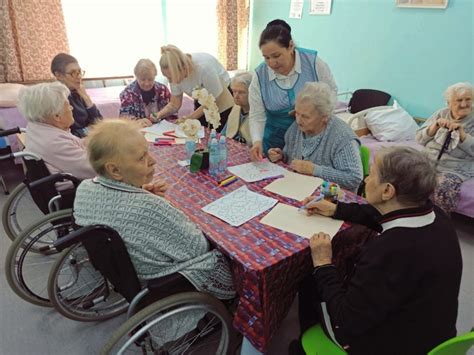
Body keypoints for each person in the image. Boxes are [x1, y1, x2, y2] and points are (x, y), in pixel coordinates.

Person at [291, 147, 462, 355]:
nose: (365, 178)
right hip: (432, 333)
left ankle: (304, 347)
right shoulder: (436, 215)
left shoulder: (389, 250)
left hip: (388, 345)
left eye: (371, 174)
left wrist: (323, 263)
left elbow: (346, 320)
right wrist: (337, 209)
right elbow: (377, 214)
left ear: (387, 191)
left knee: (310, 279)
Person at [73, 119, 235, 300]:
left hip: (124, 272)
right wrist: (154, 202)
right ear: (115, 171)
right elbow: (198, 247)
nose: (153, 160)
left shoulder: (85, 187)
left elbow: (118, 207)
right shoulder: (147, 207)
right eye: (142, 158)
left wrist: (140, 192)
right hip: (164, 283)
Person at [249, 19, 337, 161]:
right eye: (266, 58)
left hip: (311, 137)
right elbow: (257, 114)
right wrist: (257, 141)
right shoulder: (260, 75)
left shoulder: (313, 62)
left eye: (276, 56)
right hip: (273, 140)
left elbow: (331, 94)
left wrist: (314, 114)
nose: (271, 63)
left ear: (290, 46)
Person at [267, 82, 362, 192]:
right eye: (297, 113)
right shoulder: (296, 129)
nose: (298, 120)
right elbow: (291, 158)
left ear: (324, 117)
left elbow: (354, 178)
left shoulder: (342, 137)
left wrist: (314, 170)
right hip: (298, 189)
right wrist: (281, 156)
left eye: (305, 117)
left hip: (331, 198)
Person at [18, 82, 96, 183]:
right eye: (68, 105)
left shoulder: (35, 128)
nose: (71, 108)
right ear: (57, 116)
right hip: (77, 192)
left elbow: (73, 145)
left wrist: (96, 140)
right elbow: (94, 169)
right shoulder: (54, 143)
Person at [416, 82, 473, 214]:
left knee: (444, 187)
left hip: (454, 168)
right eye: (459, 100)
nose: (464, 104)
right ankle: (412, 214)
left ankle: (441, 223)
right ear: (449, 103)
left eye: (468, 99)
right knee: (404, 173)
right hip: (427, 160)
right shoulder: (441, 113)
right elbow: (419, 138)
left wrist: (463, 135)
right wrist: (434, 127)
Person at [156, 45, 234, 132]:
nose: (170, 81)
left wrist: (190, 117)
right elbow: (174, 104)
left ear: (183, 68)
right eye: (167, 77)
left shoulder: (204, 68)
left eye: (171, 77)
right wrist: (157, 115)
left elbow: (214, 100)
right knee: (198, 132)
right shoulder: (174, 73)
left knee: (216, 134)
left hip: (222, 97)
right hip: (203, 99)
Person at [51, 53, 102, 138]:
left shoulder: (77, 92)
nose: (79, 77)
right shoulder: (55, 98)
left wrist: (86, 98)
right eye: (73, 73)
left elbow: (100, 123)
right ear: (58, 75)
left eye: (79, 72)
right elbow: (63, 135)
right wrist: (87, 130)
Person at [119, 58, 171, 127]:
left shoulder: (163, 90)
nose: (147, 83)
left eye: (150, 79)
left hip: (163, 131)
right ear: (136, 77)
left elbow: (172, 114)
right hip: (139, 131)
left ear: (155, 77)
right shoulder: (128, 93)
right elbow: (124, 118)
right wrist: (138, 121)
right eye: (143, 79)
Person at [221, 71, 252, 146]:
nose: (236, 96)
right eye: (234, 91)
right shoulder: (236, 108)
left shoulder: (259, 113)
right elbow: (224, 133)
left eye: (241, 92)